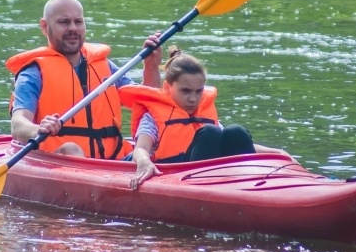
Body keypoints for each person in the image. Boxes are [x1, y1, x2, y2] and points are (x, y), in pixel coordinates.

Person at [6, 0, 163, 159]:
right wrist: (38, 129)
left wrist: (151, 66)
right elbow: (18, 125)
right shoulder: (33, 73)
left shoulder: (105, 67)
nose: (73, 28)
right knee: (72, 150)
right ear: (45, 27)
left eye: (78, 22)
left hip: (115, 163)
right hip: (58, 159)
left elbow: (149, 103)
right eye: (64, 22)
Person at [120, 46, 289, 190]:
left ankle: (251, 183)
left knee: (235, 131)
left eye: (198, 91)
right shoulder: (152, 118)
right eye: (185, 91)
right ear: (167, 87)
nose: (193, 98)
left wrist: (278, 154)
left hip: (216, 176)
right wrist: (144, 162)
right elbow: (141, 148)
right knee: (209, 132)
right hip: (179, 175)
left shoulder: (204, 114)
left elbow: (240, 143)